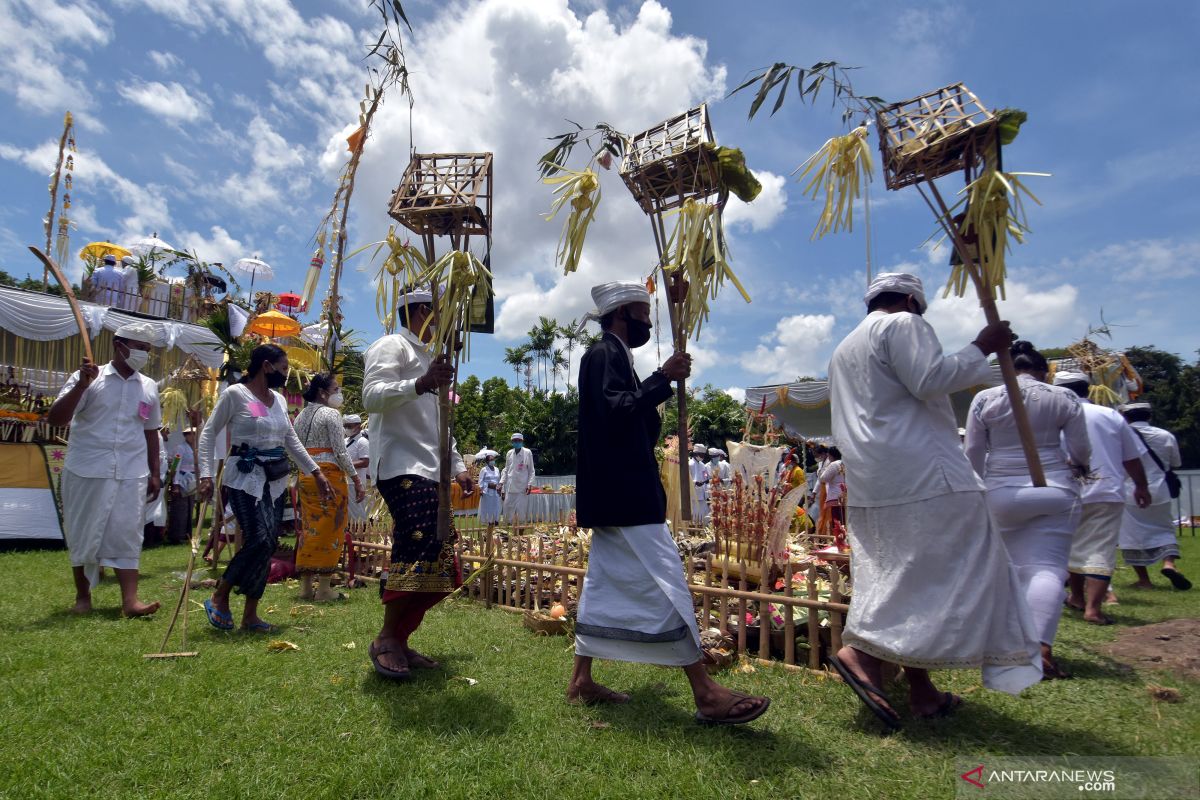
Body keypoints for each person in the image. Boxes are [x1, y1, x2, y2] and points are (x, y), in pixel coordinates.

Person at [827, 272, 1043, 730]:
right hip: (925, 472)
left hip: (875, 480)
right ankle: (863, 653)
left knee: (899, 575)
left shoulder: (843, 348)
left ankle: (922, 691)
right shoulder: (903, 324)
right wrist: (982, 344)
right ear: (910, 300)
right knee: (950, 570)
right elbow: (930, 379)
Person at [570, 280, 770, 725]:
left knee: (602, 582)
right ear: (621, 314)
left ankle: (581, 679)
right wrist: (663, 379)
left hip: (618, 493)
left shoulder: (617, 357)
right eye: (643, 314)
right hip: (625, 494)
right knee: (667, 579)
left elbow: (630, 419)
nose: (648, 322)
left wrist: (660, 382)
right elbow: (616, 411)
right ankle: (705, 692)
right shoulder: (602, 355)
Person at [361, 288, 474, 679]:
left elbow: (441, 422)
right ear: (423, 311)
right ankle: (387, 639)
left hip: (431, 468)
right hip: (399, 464)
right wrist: (420, 383)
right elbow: (371, 396)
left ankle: (402, 638)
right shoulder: (392, 345)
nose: (445, 323)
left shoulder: (432, 359)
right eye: (441, 314)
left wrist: (458, 465)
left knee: (440, 553)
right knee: (416, 546)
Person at [965, 341, 1091, 679]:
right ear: (1043, 371)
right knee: (1046, 568)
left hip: (1001, 493)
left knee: (1009, 567)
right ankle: (1039, 649)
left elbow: (974, 453)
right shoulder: (1063, 398)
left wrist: (977, 492)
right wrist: (1079, 466)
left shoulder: (985, 399)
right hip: (1055, 489)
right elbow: (1080, 449)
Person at [197, 344, 334, 633]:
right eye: (284, 369)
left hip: (274, 480)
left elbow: (290, 440)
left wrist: (316, 472)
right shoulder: (235, 394)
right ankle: (220, 595)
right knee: (258, 539)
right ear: (266, 366)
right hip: (243, 478)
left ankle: (250, 615)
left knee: (268, 543)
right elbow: (209, 433)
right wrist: (206, 474)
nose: (287, 375)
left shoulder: (280, 401)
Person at [47, 321, 163, 616]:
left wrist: (155, 473)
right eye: (139, 348)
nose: (143, 354)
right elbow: (56, 419)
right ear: (119, 345)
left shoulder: (148, 386)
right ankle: (83, 598)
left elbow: (151, 431)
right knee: (83, 531)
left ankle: (130, 602)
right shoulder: (87, 377)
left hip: (131, 471)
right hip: (87, 468)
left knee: (128, 532)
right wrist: (81, 386)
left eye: (147, 350)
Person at [1052, 371, 1151, 624]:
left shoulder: (1053, 417)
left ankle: (1076, 596)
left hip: (1064, 491)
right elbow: (1131, 456)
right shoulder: (1109, 415)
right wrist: (1141, 486)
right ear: (1087, 389)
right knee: (1100, 548)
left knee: (1071, 546)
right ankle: (1093, 609)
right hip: (1105, 490)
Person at [293, 373, 365, 602]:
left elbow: (294, 448)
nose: (339, 393)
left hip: (306, 474)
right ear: (323, 392)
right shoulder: (331, 414)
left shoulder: (300, 416)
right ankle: (324, 588)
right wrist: (355, 478)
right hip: (329, 474)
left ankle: (305, 587)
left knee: (310, 528)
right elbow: (340, 451)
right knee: (331, 528)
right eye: (336, 389)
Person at [1118, 402, 1190, 590]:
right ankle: (1169, 564)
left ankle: (1144, 580)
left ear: (1126, 417)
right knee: (1164, 528)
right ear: (1149, 416)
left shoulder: (1121, 435)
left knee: (1131, 535)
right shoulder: (1165, 435)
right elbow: (1176, 462)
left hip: (1130, 489)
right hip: (1160, 489)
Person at [166, 427, 198, 544]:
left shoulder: (195, 448)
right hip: (181, 479)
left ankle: (186, 533)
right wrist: (175, 484)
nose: (193, 436)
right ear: (186, 435)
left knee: (189, 507)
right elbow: (175, 466)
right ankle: (176, 535)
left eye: (194, 434)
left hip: (191, 480)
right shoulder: (180, 448)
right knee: (180, 509)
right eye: (190, 434)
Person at [500, 432, 536, 530]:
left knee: (521, 512)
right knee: (507, 510)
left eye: (519, 441)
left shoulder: (527, 452)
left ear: (522, 441)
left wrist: (529, 485)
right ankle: (506, 534)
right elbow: (506, 469)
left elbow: (531, 470)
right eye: (515, 441)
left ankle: (520, 536)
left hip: (522, 488)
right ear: (512, 442)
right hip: (510, 487)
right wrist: (501, 483)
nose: (516, 442)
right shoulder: (509, 453)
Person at [343, 414, 371, 522]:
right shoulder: (345, 441)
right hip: (344, 480)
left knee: (357, 512)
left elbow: (365, 462)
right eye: (345, 426)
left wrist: (345, 464)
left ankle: (359, 535)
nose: (347, 429)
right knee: (347, 511)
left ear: (358, 426)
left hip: (356, 481)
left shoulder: (362, 442)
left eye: (349, 426)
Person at [817, 446, 846, 530]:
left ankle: (838, 539)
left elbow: (823, 478)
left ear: (831, 455)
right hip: (845, 494)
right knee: (844, 518)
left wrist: (822, 469)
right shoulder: (845, 463)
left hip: (835, 495)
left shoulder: (834, 464)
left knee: (836, 521)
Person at [478, 451, 502, 533]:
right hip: (487, 492)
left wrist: (499, 488)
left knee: (496, 507)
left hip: (496, 492)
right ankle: (488, 523)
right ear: (487, 461)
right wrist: (485, 486)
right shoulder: (483, 470)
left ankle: (496, 521)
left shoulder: (497, 469)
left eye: (493, 459)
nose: (492, 461)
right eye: (491, 460)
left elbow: (499, 480)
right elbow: (480, 481)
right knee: (488, 508)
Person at [688, 443, 711, 524]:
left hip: (702, 494)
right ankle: (693, 530)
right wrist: (695, 483)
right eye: (701, 455)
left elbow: (706, 476)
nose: (703, 457)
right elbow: (686, 479)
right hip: (693, 494)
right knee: (694, 514)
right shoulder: (689, 464)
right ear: (696, 454)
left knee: (702, 514)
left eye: (703, 455)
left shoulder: (703, 465)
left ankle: (701, 529)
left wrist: (705, 480)